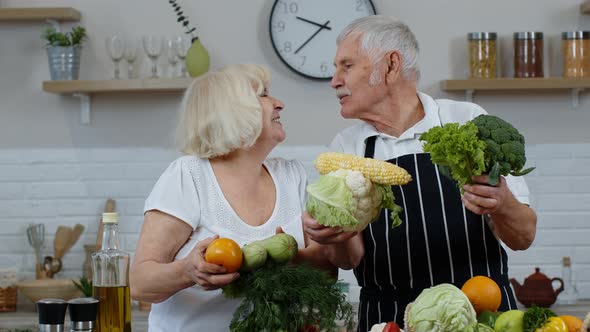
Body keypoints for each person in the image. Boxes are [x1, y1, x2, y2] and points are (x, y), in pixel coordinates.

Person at [303, 15, 537, 331]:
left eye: (346, 66)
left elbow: (523, 237)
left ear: (390, 65)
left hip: (480, 314)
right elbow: (349, 260)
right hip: (388, 320)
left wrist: (503, 203)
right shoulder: (347, 146)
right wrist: (333, 236)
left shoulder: (466, 120)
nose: (334, 80)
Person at [130, 64, 334, 332]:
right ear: (232, 113)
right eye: (263, 95)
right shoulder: (189, 175)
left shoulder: (290, 175)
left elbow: (327, 274)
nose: (279, 104)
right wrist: (187, 271)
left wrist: (286, 258)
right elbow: (140, 283)